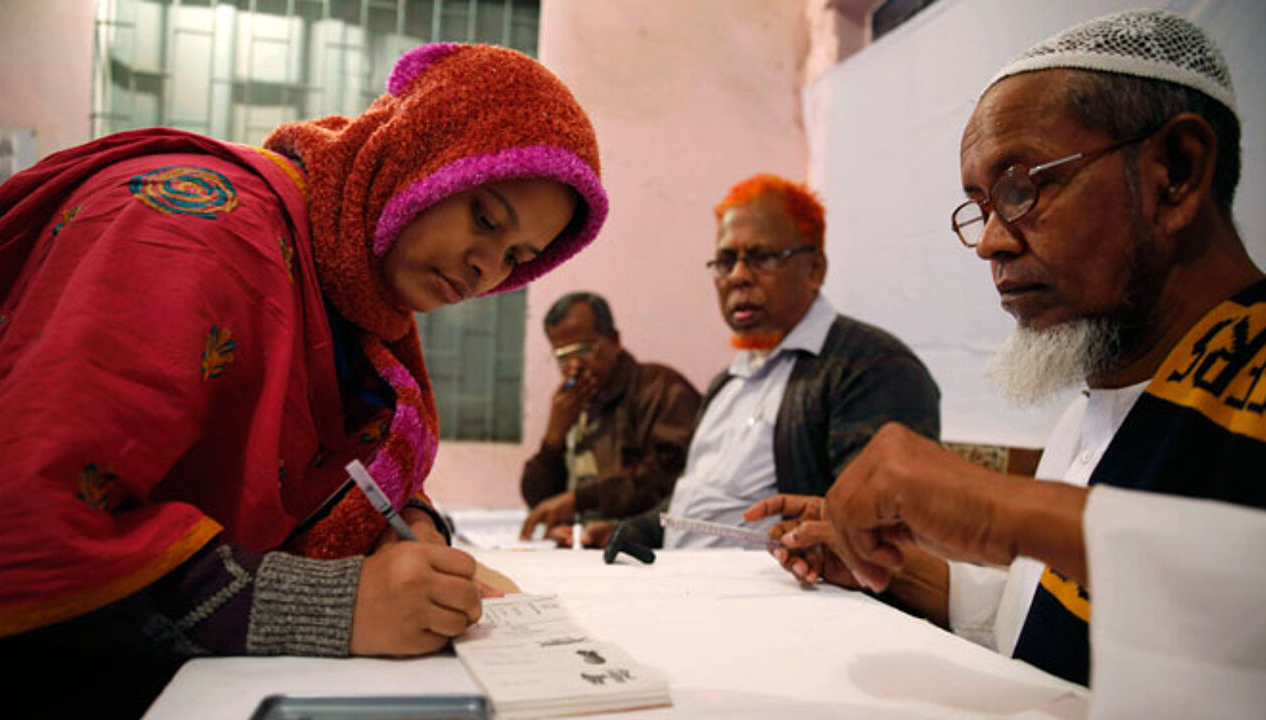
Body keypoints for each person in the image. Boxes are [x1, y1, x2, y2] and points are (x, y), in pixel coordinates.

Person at [0, 43, 607, 716]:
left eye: (518, 258)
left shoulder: (355, 296)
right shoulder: (193, 231)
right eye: (485, 218)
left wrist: (414, 527)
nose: (487, 268)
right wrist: (337, 610)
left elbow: (338, 467)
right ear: (420, 156)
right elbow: (29, 527)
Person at [750, 9, 1264, 693]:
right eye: (981, 205)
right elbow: (1063, 621)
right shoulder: (1101, 405)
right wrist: (904, 570)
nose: (991, 241)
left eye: (1023, 188)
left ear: (1176, 170)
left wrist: (1002, 512)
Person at [596, 174, 940, 550]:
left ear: (814, 269)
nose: (739, 276)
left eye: (761, 258)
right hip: (688, 588)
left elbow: (876, 535)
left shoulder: (871, 368)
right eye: (726, 261)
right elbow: (704, 498)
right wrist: (643, 528)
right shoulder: (729, 381)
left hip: (783, 602)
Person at [518, 292, 700, 545]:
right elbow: (540, 501)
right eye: (562, 356)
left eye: (583, 350)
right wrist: (554, 436)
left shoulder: (660, 388)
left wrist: (579, 500)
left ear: (614, 340)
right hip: (586, 546)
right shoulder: (575, 403)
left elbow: (667, 479)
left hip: (649, 547)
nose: (574, 366)